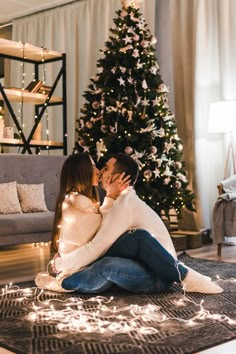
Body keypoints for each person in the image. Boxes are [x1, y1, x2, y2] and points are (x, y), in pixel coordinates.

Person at [50, 153, 222, 294]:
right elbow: (101, 233)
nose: (100, 171)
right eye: (97, 166)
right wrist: (110, 195)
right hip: (145, 267)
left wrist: (60, 263)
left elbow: (96, 246)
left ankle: (186, 277)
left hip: (158, 275)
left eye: (106, 168)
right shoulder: (120, 202)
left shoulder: (124, 206)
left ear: (119, 177)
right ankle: (185, 274)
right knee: (125, 246)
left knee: (130, 245)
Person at [36, 153, 168, 293]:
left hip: (80, 264)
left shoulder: (76, 200)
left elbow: (102, 234)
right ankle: (65, 283)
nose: (99, 171)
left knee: (113, 262)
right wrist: (61, 262)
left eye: (103, 168)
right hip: (79, 269)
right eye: (93, 166)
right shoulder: (80, 202)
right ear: (82, 171)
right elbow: (99, 241)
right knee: (108, 266)